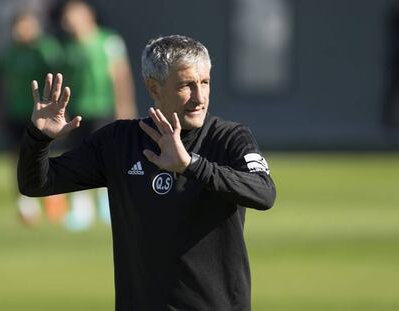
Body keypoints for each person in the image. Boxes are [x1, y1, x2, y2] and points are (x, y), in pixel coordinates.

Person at [18, 35, 276, 310]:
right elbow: (37, 183)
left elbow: (264, 192)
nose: (199, 97)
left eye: (204, 83)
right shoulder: (119, 141)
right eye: (186, 85)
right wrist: (38, 138)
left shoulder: (229, 138)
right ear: (154, 87)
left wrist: (192, 165)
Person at [59, 0, 137, 229]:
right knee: (77, 156)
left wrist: (125, 105)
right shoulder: (68, 47)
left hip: (104, 107)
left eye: (73, 15)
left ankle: (108, 204)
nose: (69, 21)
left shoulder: (109, 41)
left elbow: (121, 75)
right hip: (77, 111)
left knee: (107, 156)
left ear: (86, 16)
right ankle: (81, 208)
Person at [0, 8, 68, 226]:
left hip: (41, 115)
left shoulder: (45, 49)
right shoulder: (10, 53)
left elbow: (59, 75)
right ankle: (25, 203)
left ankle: (54, 199)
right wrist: (0, 109)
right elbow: (5, 83)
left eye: (26, 26)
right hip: (15, 112)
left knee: (48, 153)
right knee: (17, 157)